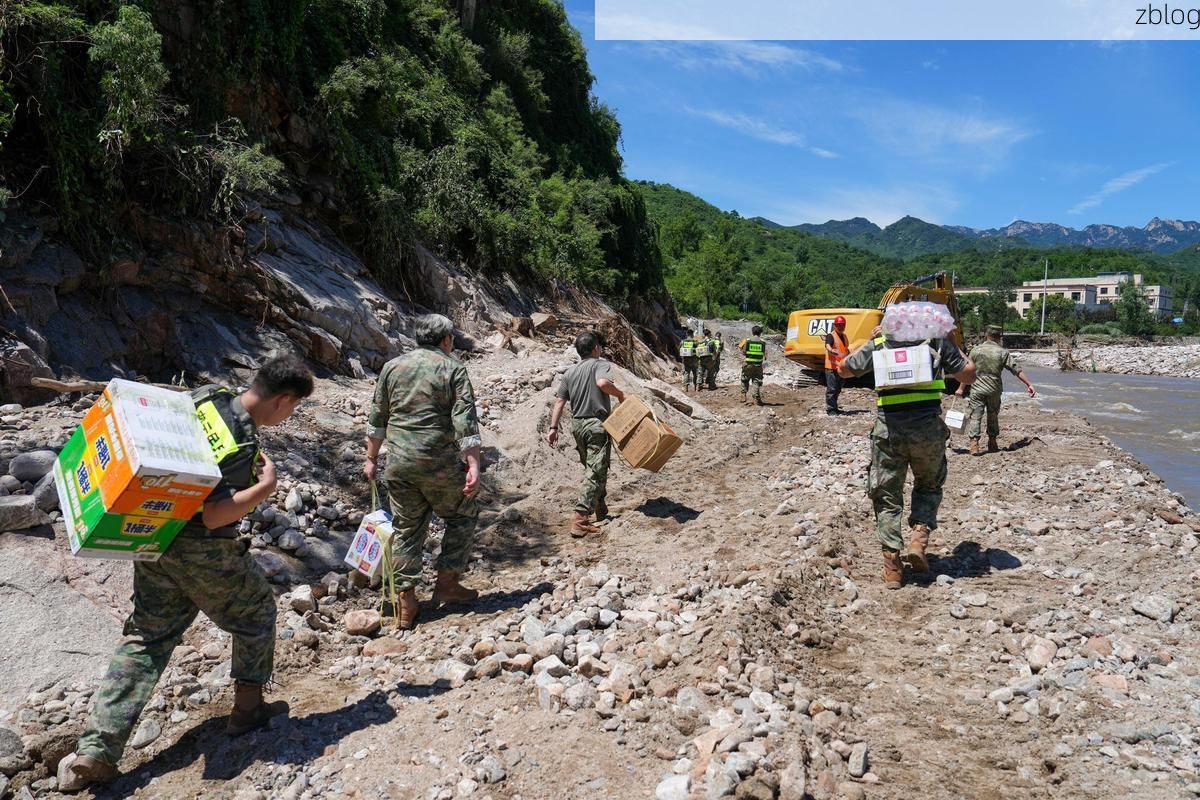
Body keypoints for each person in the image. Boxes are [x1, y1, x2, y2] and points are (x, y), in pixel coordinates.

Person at [59, 354, 315, 793]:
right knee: (256, 614)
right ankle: (248, 711)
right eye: (293, 407)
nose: (289, 414)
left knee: (147, 637)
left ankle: (97, 748)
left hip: (154, 534)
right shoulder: (242, 445)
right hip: (202, 549)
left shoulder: (209, 396)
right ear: (283, 400)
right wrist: (264, 488)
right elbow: (215, 515)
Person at [364, 314, 481, 630]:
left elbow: (377, 417)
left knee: (406, 528)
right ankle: (447, 584)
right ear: (446, 340)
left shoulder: (392, 367)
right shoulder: (453, 368)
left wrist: (371, 458)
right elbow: (465, 420)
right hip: (438, 463)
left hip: (399, 464)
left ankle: (406, 601)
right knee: (463, 513)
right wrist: (473, 463)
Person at [839, 323, 976, 589]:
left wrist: (869, 339)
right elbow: (969, 374)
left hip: (889, 431)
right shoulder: (935, 342)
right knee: (929, 485)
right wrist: (951, 340)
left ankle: (892, 567)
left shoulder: (881, 343)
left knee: (887, 494)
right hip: (928, 430)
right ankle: (918, 538)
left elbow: (844, 369)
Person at [547, 331, 625, 536]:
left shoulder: (570, 373)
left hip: (577, 426)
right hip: (596, 424)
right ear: (596, 348)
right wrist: (620, 394)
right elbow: (603, 383)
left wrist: (553, 428)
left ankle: (600, 508)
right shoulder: (600, 365)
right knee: (595, 471)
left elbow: (559, 402)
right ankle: (581, 518)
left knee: (593, 468)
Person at [957, 325, 1036, 455]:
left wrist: (960, 389)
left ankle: (974, 445)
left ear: (986, 335)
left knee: (976, 416)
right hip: (994, 389)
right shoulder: (1002, 352)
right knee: (993, 416)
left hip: (977, 389)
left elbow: (967, 372)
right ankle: (992, 443)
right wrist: (1029, 384)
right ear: (999, 337)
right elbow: (1016, 369)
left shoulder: (975, 350)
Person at [824, 315, 851, 415]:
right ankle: (831, 409)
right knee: (832, 389)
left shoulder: (844, 336)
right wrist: (831, 350)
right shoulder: (831, 336)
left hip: (841, 368)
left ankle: (834, 407)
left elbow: (845, 350)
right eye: (838, 325)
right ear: (834, 326)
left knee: (838, 389)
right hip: (831, 367)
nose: (840, 327)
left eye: (842, 325)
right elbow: (827, 345)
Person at [738, 326, 767, 405]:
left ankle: (743, 395)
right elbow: (765, 354)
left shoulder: (748, 341)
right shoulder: (763, 342)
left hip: (748, 364)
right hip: (758, 365)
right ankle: (756, 398)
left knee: (745, 379)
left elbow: (744, 352)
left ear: (752, 332)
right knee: (756, 381)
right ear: (760, 333)